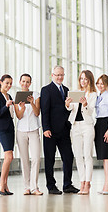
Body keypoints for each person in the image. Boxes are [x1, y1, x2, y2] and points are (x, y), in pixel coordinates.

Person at [40, 65, 79, 195]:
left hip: (64, 130)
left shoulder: (67, 90)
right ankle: (51, 186)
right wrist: (46, 128)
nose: (60, 77)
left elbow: (68, 109)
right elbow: (44, 111)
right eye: (57, 75)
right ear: (52, 75)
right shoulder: (46, 90)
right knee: (49, 159)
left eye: (62, 75)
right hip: (50, 131)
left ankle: (67, 184)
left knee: (68, 157)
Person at [65, 70, 97, 195]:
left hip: (87, 126)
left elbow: (89, 112)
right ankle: (82, 182)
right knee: (78, 156)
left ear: (89, 81)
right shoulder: (76, 92)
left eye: (85, 79)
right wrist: (67, 104)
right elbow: (71, 108)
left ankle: (87, 183)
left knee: (87, 155)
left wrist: (85, 104)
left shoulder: (93, 94)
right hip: (75, 126)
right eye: (81, 79)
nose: (83, 81)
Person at [14, 74, 43, 195]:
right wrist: (22, 108)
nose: (25, 84)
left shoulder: (36, 95)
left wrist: (31, 103)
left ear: (30, 83)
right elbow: (19, 116)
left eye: (28, 82)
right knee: (24, 159)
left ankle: (34, 187)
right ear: (20, 82)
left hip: (34, 130)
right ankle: (26, 186)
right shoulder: (17, 96)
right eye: (23, 81)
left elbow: (37, 113)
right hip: (21, 131)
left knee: (36, 158)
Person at [0, 74, 15, 196]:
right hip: (2, 129)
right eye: (7, 83)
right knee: (8, 157)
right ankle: (1, 185)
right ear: (1, 82)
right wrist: (6, 106)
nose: (9, 85)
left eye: (10, 83)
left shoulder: (9, 96)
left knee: (10, 157)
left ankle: (5, 184)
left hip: (10, 128)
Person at [94, 74, 108, 195]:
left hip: (107, 125)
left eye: (102, 83)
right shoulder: (99, 97)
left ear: (107, 85)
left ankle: (107, 184)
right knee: (103, 156)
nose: (100, 86)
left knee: (107, 156)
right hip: (99, 124)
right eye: (98, 83)